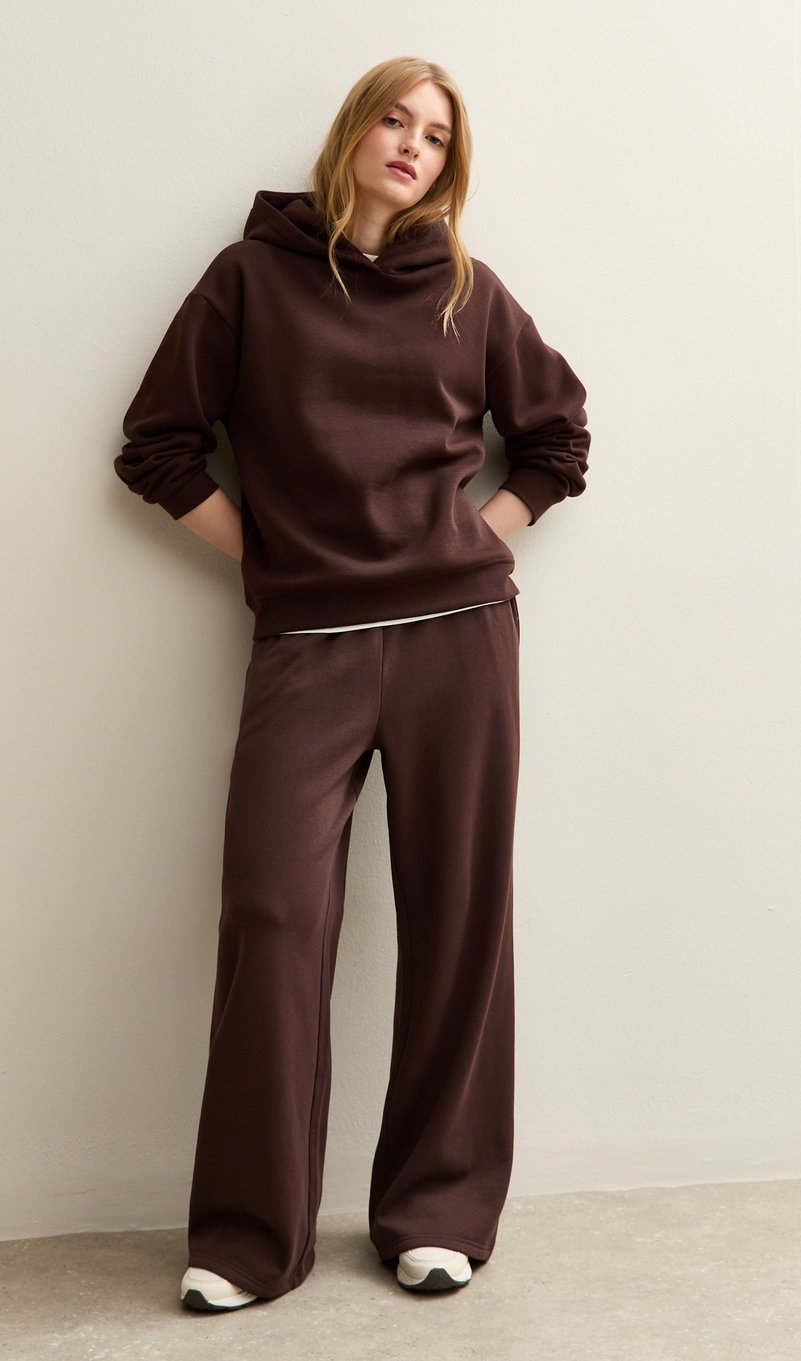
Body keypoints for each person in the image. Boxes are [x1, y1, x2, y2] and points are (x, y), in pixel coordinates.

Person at [114, 56, 591, 1311]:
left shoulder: (469, 292)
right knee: (272, 915)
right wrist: (269, 557)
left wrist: (479, 532)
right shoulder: (248, 278)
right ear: (353, 131)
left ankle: (438, 1210)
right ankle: (246, 1235)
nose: (412, 144)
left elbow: (558, 437)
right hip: (308, 644)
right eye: (395, 118)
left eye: (436, 135)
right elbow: (156, 445)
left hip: (458, 638)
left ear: (447, 168)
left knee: (457, 917)